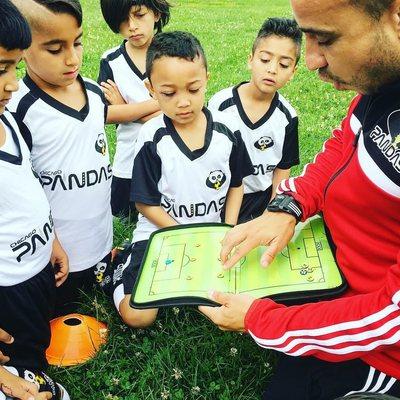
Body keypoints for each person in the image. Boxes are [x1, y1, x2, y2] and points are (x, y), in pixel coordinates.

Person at [199, 0, 400, 398]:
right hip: (326, 286)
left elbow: (393, 315)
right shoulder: (383, 83)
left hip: (378, 352)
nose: (310, 61)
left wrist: (265, 321)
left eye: (325, 38)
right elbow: (340, 149)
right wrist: (287, 207)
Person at [10, 0, 151, 315]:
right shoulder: (18, 108)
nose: (72, 58)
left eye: (77, 42)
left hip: (98, 241)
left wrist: (158, 105)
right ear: (23, 49)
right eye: (55, 49)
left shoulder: (91, 91)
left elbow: (111, 115)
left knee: (101, 293)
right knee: (63, 314)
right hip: (54, 253)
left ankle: (115, 257)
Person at [111, 31, 253, 328]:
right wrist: (184, 235)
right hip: (160, 235)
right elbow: (145, 204)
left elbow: (236, 186)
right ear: (151, 89)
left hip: (210, 238)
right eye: (169, 93)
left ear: (206, 79)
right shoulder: (152, 138)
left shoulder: (227, 133)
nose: (184, 102)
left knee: (232, 302)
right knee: (139, 316)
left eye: (193, 89)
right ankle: (119, 264)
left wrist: (226, 229)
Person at [0, 1, 70, 398]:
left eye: (13, 67)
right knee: (18, 354)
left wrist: (51, 239)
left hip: (38, 268)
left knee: (36, 340)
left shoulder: (8, 116)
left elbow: (26, 187)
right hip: (7, 290)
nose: (12, 84)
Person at [208, 17, 301, 223]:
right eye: (265, 60)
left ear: (293, 72)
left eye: (284, 64)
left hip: (261, 200)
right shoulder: (220, 105)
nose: (272, 69)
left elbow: (282, 170)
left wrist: (272, 212)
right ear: (251, 59)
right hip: (222, 197)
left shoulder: (287, 117)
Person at [98, 0, 170, 220]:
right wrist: (160, 104)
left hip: (169, 153)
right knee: (122, 214)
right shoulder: (111, 61)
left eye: (139, 15)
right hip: (128, 158)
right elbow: (106, 114)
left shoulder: (172, 54)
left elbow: (182, 111)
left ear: (156, 14)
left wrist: (126, 109)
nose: (132, 26)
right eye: (122, 20)